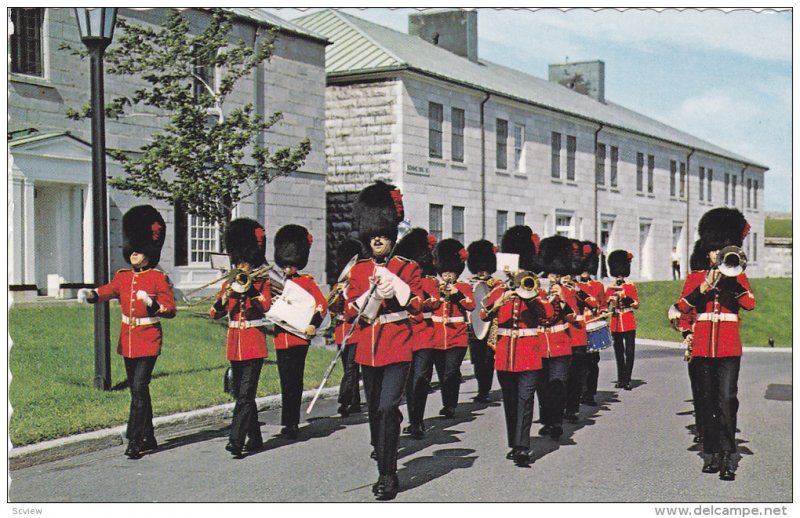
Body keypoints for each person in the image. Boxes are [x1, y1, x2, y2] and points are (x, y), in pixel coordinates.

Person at [344, 181, 422, 500]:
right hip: (367, 349)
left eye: (382, 233)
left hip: (397, 345)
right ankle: (383, 453)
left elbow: (419, 305)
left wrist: (399, 292)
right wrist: (366, 297)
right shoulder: (359, 270)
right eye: (372, 234)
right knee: (375, 410)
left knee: (389, 407)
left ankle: (388, 475)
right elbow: (349, 310)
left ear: (391, 234)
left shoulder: (407, 267)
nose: (377, 238)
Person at [78, 205, 176, 459]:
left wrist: (153, 305)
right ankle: (150, 435)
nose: (133, 254)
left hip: (149, 340)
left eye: (139, 250)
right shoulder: (123, 277)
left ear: (149, 252)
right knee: (138, 390)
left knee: (139, 388)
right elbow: (107, 290)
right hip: (129, 341)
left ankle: (134, 440)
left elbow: (170, 309)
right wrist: (91, 295)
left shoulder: (158, 278)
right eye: (132, 249)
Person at [673, 208, 755, 481]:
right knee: (706, 402)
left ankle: (729, 456)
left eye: (722, 248)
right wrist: (703, 289)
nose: (717, 254)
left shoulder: (738, 276)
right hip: (702, 349)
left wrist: (732, 282)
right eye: (713, 249)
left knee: (727, 400)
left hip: (729, 349)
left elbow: (750, 304)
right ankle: (711, 453)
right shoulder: (696, 278)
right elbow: (682, 307)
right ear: (707, 251)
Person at [480, 225, 552, 467]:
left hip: (529, 353)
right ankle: (515, 442)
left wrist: (528, 297)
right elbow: (482, 314)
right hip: (504, 354)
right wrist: (500, 300)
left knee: (525, 398)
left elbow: (547, 315)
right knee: (510, 401)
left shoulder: (534, 287)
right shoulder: (500, 289)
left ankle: (522, 447)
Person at [209, 218, 271, 457]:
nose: (242, 266)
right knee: (243, 395)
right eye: (239, 261)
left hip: (254, 343)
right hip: (235, 344)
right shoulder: (229, 282)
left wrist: (251, 289)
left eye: (245, 261)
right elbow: (214, 314)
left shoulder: (262, 281)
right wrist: (223, 299)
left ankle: (236, 440)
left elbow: (265, 307)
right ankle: (254, 437)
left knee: (245, 394)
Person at [271, 224, 328, 440]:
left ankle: (292, 422)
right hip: (280, 339)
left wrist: (313, 324)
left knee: (295, 381)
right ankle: (287, 421)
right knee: (285, 381)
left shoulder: (307, 282)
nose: (288, 268)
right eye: (286, 264)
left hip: (298, 339)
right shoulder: (275, 283)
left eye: (292, 264)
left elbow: (321, 305)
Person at [396, 228, 437, 439]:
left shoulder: (430, 280)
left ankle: (417, 420)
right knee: (404, 380)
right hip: (402, 333)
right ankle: (403, 418)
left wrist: (427, 300)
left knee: (420, 378)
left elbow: (435, 302)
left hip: (424, 336)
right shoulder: (399, 276)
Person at [534, 234, 576, 439]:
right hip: (540, 344)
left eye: (556, 274)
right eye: (550, 274)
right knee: (542, 387)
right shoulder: (535, 290)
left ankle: (557, 421)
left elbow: (573, 316)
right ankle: (547, 420)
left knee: (558, 383)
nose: (553, 277)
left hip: (560, 343)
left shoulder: (567, 292)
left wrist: (562, 299)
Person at [430, 239, 475, 419]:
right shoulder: (435, 286)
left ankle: (450, 405)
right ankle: (446, 401)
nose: (448, 275)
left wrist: (458, 295)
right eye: (445, 272)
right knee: (443, 373)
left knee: (451, 370)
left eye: (451, 272)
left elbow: (471, 306)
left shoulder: (463, 286)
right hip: (438, 336)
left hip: (457, 336)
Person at [331, 239, 365, 417]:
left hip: (355, 330)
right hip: (340, 330)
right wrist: (336, 296)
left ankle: (344, 400)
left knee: (352, 368)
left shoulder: (357, 284)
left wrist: (346, 294)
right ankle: (355, 402)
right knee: (347, 368)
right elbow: (330, 308)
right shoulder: (337, 285)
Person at [466, 239, 503, 402]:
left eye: (484, 269)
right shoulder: (470, 283)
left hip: (491, 326)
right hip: (474, 325)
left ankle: (484, 390)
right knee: (477, 360)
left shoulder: (497, 284)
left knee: (488, 360)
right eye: (479, 269)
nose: (482, 272)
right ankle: (481, 387)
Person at [574, 241, 606, 407]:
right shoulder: (575, 286)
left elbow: (603, 305)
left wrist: (600, 313)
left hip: (593, 327)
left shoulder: (597, 285)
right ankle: (579, 390)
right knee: (579, 362)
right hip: (579, 327)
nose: (585, 271)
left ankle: (590, 393)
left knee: (593, 363)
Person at [606, 250, 639, 390]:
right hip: (615, 322)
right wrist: (610, 299)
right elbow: (604, 304)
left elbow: (636, 304)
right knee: (618, 352)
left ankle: (628, 379)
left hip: (628, 320)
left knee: (629, 352)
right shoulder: (611, 287)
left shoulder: (630, 287)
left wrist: (625, 297)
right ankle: (621, 379)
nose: (619, 277)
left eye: (621, 273)